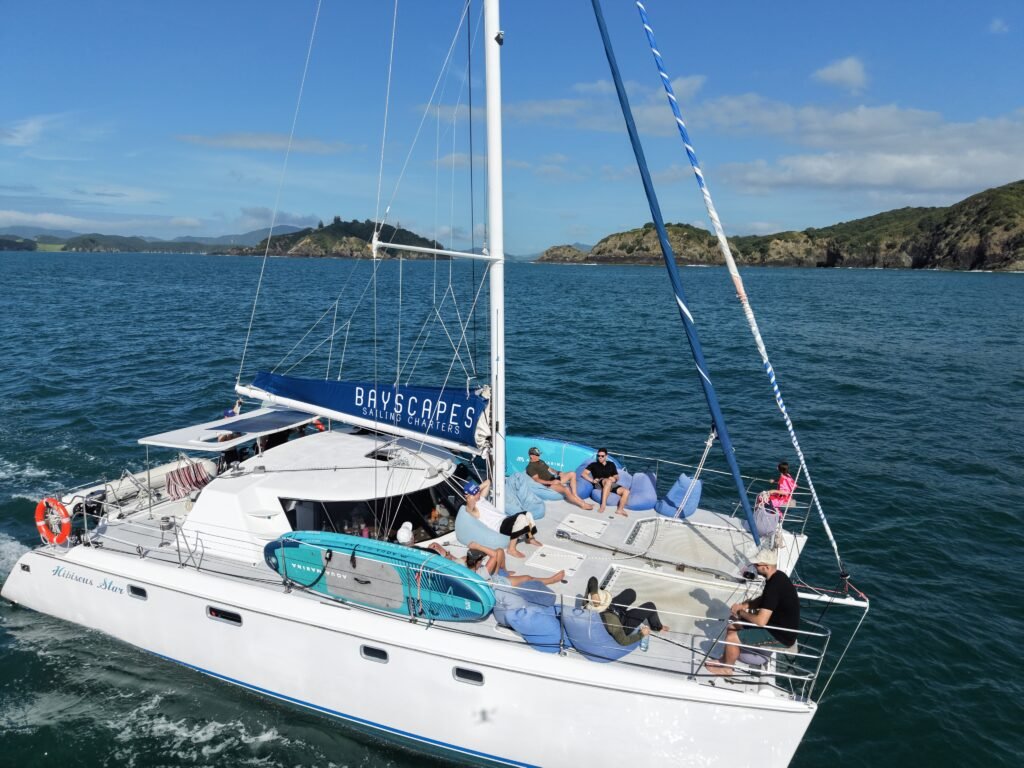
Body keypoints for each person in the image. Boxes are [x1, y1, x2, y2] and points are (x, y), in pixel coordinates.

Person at [706, 546, 800, 676]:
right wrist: (745, 605)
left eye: (757, 565)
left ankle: (727, 669)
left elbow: (761, 621)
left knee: (732, 637)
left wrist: (741, 612)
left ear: (766, 567)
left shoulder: (773, 586)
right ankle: (725, 659)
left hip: (780, 636)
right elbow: (764, 599)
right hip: (775, 625)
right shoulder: (778, 577)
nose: (755, 567)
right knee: (733, 624)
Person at [463, 479, 540, 559]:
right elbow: (469, 507)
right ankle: (511, 549)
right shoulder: (474, 509)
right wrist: (469, 496)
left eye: (478, 491)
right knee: (522, 519)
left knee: (528, 514)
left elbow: (488, 482)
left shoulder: (481, 498)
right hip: (500, 526)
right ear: (470, 496)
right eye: (475, 493)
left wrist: (475, 489)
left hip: (505, 520)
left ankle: (529, 538)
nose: (478, 493)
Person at [585, 576, 669, 647]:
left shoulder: (590, 602)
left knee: (630, 593)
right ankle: (657, 627)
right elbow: (623, 642)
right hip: (622, 622)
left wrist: (594, 594)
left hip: (612, 608)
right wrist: (642, 634)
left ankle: (607, 602)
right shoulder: (611, 621)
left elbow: (593, 579)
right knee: (650, 606)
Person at [465, 543, 565, 587]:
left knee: (500, 550)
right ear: (477, 562)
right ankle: (551, 580)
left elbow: (496, 553)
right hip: (497, 583)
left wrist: (449, 556)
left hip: (490, 576)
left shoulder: (463, 566)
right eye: (482, 559)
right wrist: (478, 546)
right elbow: (493, 555)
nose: (483, 560)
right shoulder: (482, 572)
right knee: (527, 578)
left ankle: (505, 572)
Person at [525, 447, 593, 510]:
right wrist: (551, 482)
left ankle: (575, 495)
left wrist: (558, 472)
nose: (539, 456)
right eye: (537, 455)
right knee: (566, 489)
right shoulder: (530, 467)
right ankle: (582, 505)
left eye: (539, 454)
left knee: (572, 473)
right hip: (549, 484)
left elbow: (550, 469)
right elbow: (536, 479)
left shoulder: (541, 461)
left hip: (554, 478)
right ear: (531, 456)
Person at [582, 448, 630, 516]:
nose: (600, 457)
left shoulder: (611, 464)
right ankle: (603, 505)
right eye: (598, 456)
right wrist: (592, 480)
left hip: (610, 483)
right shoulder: (594, 464)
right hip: (599, 483)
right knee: (608, 481)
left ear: (606, 456)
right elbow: (584, 474)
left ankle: (620, 509)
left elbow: (616, 476)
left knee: (626, 491)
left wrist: (614, 479)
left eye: (602, 456)